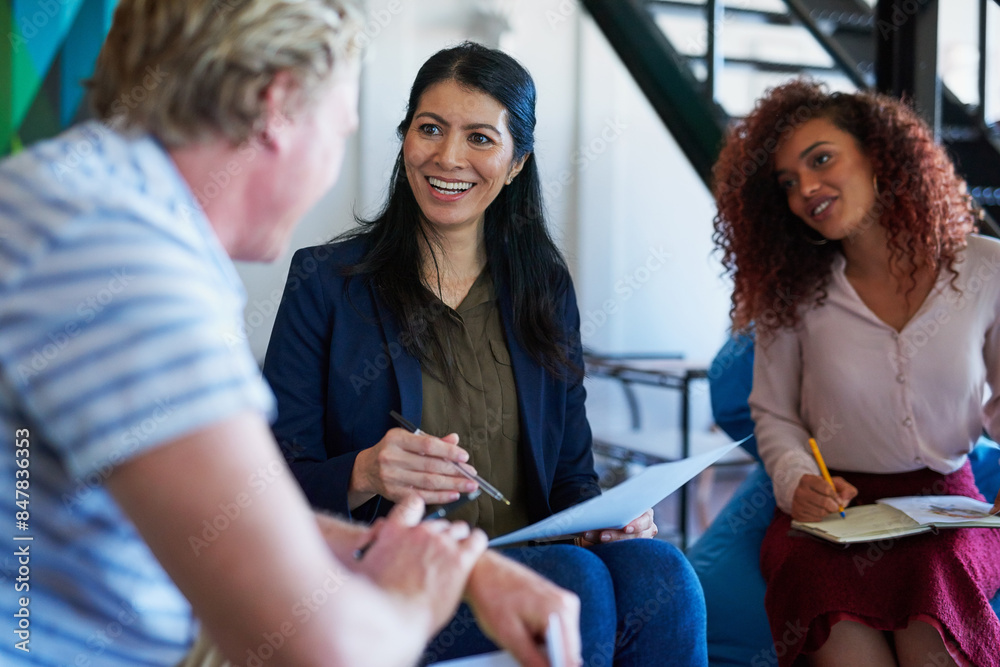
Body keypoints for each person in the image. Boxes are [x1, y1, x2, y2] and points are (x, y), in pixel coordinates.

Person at [0, 3, 584, 666]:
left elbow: (229, 519)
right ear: (277, 105)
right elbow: (327, 651)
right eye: (341, 129)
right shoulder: (123, 254)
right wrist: (419, 595)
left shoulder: (83, 200)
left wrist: (470, 570)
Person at [263, 42, 707, 665]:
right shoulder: (325, 283)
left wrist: (609, 518)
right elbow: (267, 486)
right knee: (576, 584)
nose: (448, 157)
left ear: (517, 161)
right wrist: (365, 471)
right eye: (430, 129)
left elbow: (571, 476)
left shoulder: (543, 290)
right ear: (405, 139)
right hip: (396, 582)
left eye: (479, 138)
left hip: (534, 553)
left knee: (661, 572)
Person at [712, 78, 1000, 667]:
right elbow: (773, 412)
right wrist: (796, 482)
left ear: (878, 154)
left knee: (933, 603)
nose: (805, 190)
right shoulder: (792, 292)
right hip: (832, 512)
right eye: (787, 183)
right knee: (837, 621)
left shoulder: (988, 269)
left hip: (948, 503)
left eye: (821, 160)